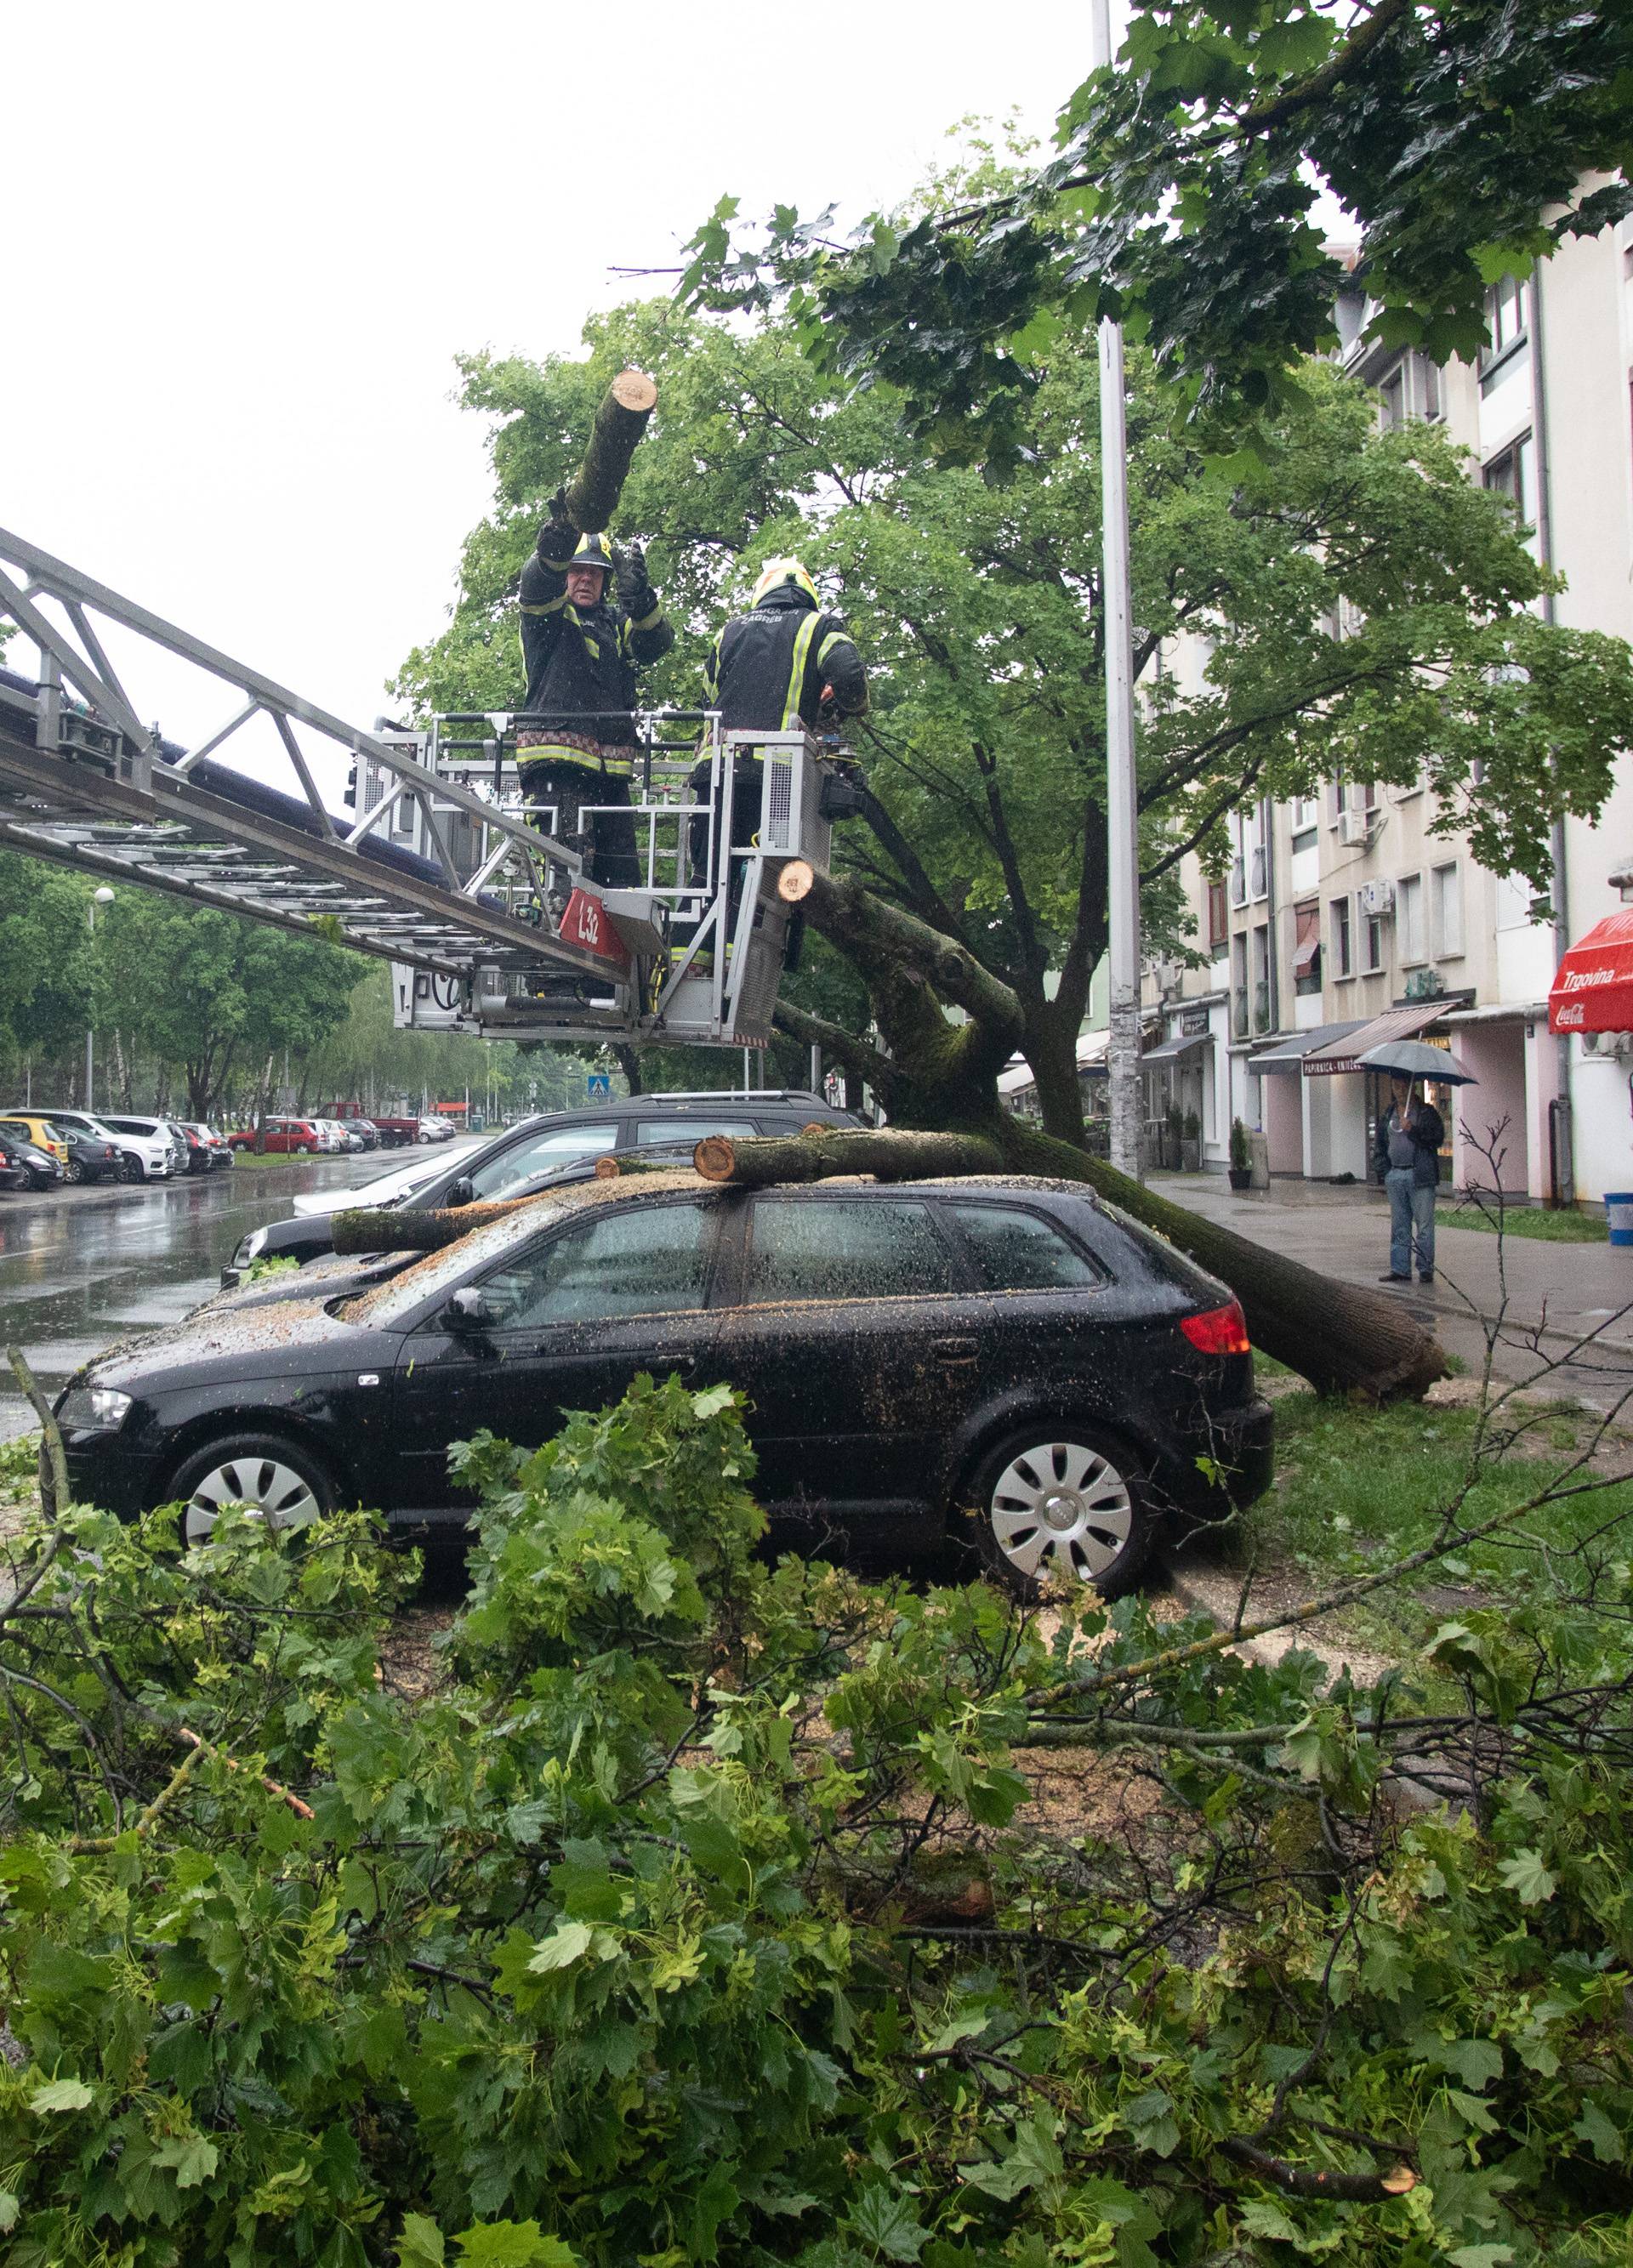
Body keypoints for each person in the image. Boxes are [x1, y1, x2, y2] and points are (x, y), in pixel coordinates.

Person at [689, 557, 868, 921]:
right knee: (762, 886)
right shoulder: (818, 626)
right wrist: (851, 705)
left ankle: (692, 960)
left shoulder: (729, 631)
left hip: (717, 775)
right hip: (775, 780)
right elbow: (849, 675)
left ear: (763, 592)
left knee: (707, 881)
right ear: (807, 594)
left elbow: (708, 698)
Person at [516, 499, 673, 894]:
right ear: (564, 576)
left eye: (595, 573)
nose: (585, 580)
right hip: (558, 769)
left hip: (610, 779)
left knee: (622, 889)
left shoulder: (614, 623)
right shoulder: (548, 618)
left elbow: (655, 644)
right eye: (576, 571)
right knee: (568, 884)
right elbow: (535, 585)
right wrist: (555, 546)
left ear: (605, 580)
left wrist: (641, 601)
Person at [1374, 1074, 1444, 1283]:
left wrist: (1412, 1130)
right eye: (1396, 1086)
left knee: (1423, 1225)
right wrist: (1384, 1170)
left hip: (1419, 1174)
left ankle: (1425, 1268)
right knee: (1399, 1225)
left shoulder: (1426, 1113)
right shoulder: (1389, 1113)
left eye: (1404, 1086)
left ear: (1413, 1088)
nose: (1400, 1090)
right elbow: (1380, 1143)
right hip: (1395, 1173)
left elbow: (1436, 1139)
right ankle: (1400, 1268)